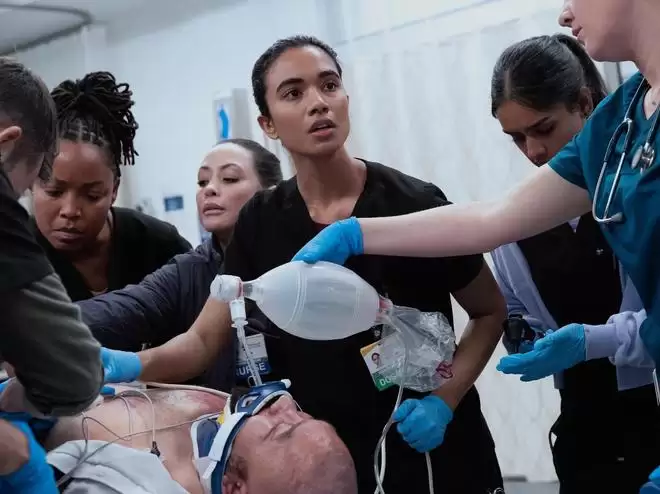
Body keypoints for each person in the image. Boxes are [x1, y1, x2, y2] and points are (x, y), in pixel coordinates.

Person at [101, 35, 507, 493]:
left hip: (436, 454)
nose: (318, 103)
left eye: (329, 85)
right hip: (326, 463)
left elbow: (489, 311)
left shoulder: (414, 203)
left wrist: (444, 402)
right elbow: (201, 341)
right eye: (293, 93)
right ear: (268, 124)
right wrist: (128, 365)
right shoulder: (260, 221)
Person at [293, 0, 660, 373]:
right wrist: (356, 233)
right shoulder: (618, 121)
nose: (565, 14)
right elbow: (493, 219)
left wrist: (604, 339)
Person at [490, 34, 660, 492]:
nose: (533, 151)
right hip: (583, 432)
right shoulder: (514, 227)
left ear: (585, 104)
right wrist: (521, 336)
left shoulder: (636, 201)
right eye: (516, 138)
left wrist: (592, 341)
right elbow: (515, 310)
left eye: (543, 129)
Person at [80, 139, 282, 388]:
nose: (210, 189)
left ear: (272, 192)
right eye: (202, 182)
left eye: (229, 179)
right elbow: (128, 307)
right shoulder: (189, 271)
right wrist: (45, 324)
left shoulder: (296, 263)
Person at [0, 57, 103, 492]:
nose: (69, 211)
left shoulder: (158, 244)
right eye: (34, 187)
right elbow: (74, 377)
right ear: (5, 144)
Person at [30, 71, 191, 302]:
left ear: (114, 190)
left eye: (92, 195)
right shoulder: (12, 254)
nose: (70, 211)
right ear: (31, 181)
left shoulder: (160, 246)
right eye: (54, 192)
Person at [42, 381, 357, 494]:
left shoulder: (131, 485)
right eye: (304, 415)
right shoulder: (223, 415)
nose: (284, 404)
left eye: (282, 429)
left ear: (233, 487)